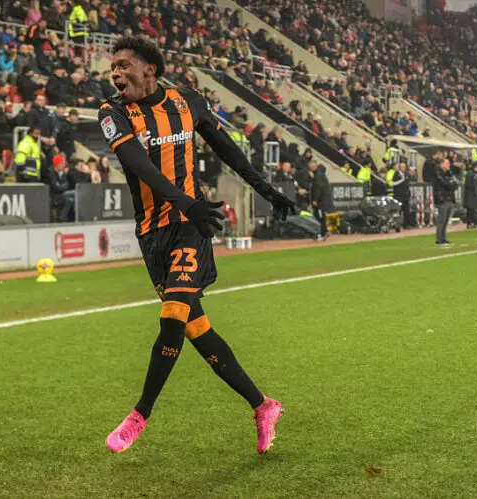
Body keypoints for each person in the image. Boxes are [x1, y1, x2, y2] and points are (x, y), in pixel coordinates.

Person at [99, 37, 295, 455]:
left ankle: (140, 415)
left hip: (191, 225)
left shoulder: (189, 102)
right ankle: (264, 406)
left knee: (172, 317)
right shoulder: (112, 112)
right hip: (154, 233)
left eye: (123, 65)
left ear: (149, 69)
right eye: (112, 67)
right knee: (197, 330)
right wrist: (185, 200)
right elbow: (139, 165)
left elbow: (228, 150)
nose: (115, 73)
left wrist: (267, 189)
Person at [433, 158, 459, 246]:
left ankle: (443, 238)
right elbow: (445, 184)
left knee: (446, 220)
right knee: (441, 220)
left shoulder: (449, 173)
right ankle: (439, 240)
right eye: (447, 163)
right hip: (442, 199)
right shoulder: (438, 173)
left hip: (449, 198)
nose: (449, 165)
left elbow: (455, 183)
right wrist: (451, 184)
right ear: (442, 164)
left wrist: (451, 184)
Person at [310, 162, 333, 240]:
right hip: (323, 200)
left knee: (320, 217)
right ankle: (325, 231)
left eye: (313, 167)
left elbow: (318, 188)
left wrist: (315, 199)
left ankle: (322, 233)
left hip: (320, 201)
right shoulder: (321, 175)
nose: (311, 169)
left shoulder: (318, 175)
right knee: (321, 216)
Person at [463, 163, 477, 229]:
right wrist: (474, 190)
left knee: (472, 210)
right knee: (470, 210)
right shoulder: (470, 174)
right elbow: (468, 184)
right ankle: (470, 223)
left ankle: (473, 223)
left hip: (473, 194)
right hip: (470, 195)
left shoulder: (474, 174)